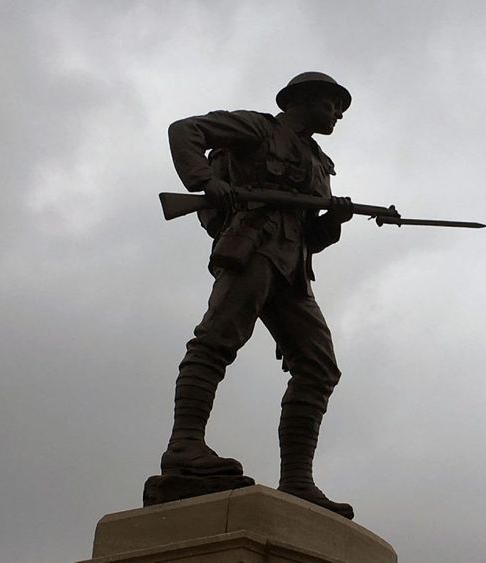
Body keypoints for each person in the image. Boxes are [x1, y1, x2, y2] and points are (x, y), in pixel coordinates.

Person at [161, 72, 356, 519]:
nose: (338, 115)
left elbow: (313, 234)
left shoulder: (319, 163)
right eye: (332, 105)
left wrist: (334, 220)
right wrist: (204, 180)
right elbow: (185, 130)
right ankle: (185, 444)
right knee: (217, 339)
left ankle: (297, 481)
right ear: (304, 100)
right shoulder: (257, 128)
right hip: (252, 246)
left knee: (319, 367)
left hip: (293, 270)